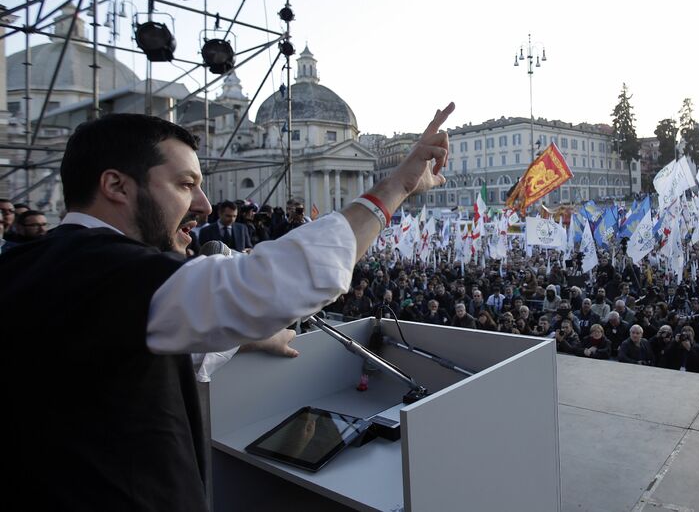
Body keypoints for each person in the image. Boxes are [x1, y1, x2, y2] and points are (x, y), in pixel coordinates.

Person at [0, 104, 454, 510]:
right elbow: (276, 283)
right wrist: (395, 188)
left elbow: (127, 351)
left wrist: (248, 338)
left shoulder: (31, 263)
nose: (203, 204)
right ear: (116, 185)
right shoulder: (111, 273)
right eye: (185, 184)